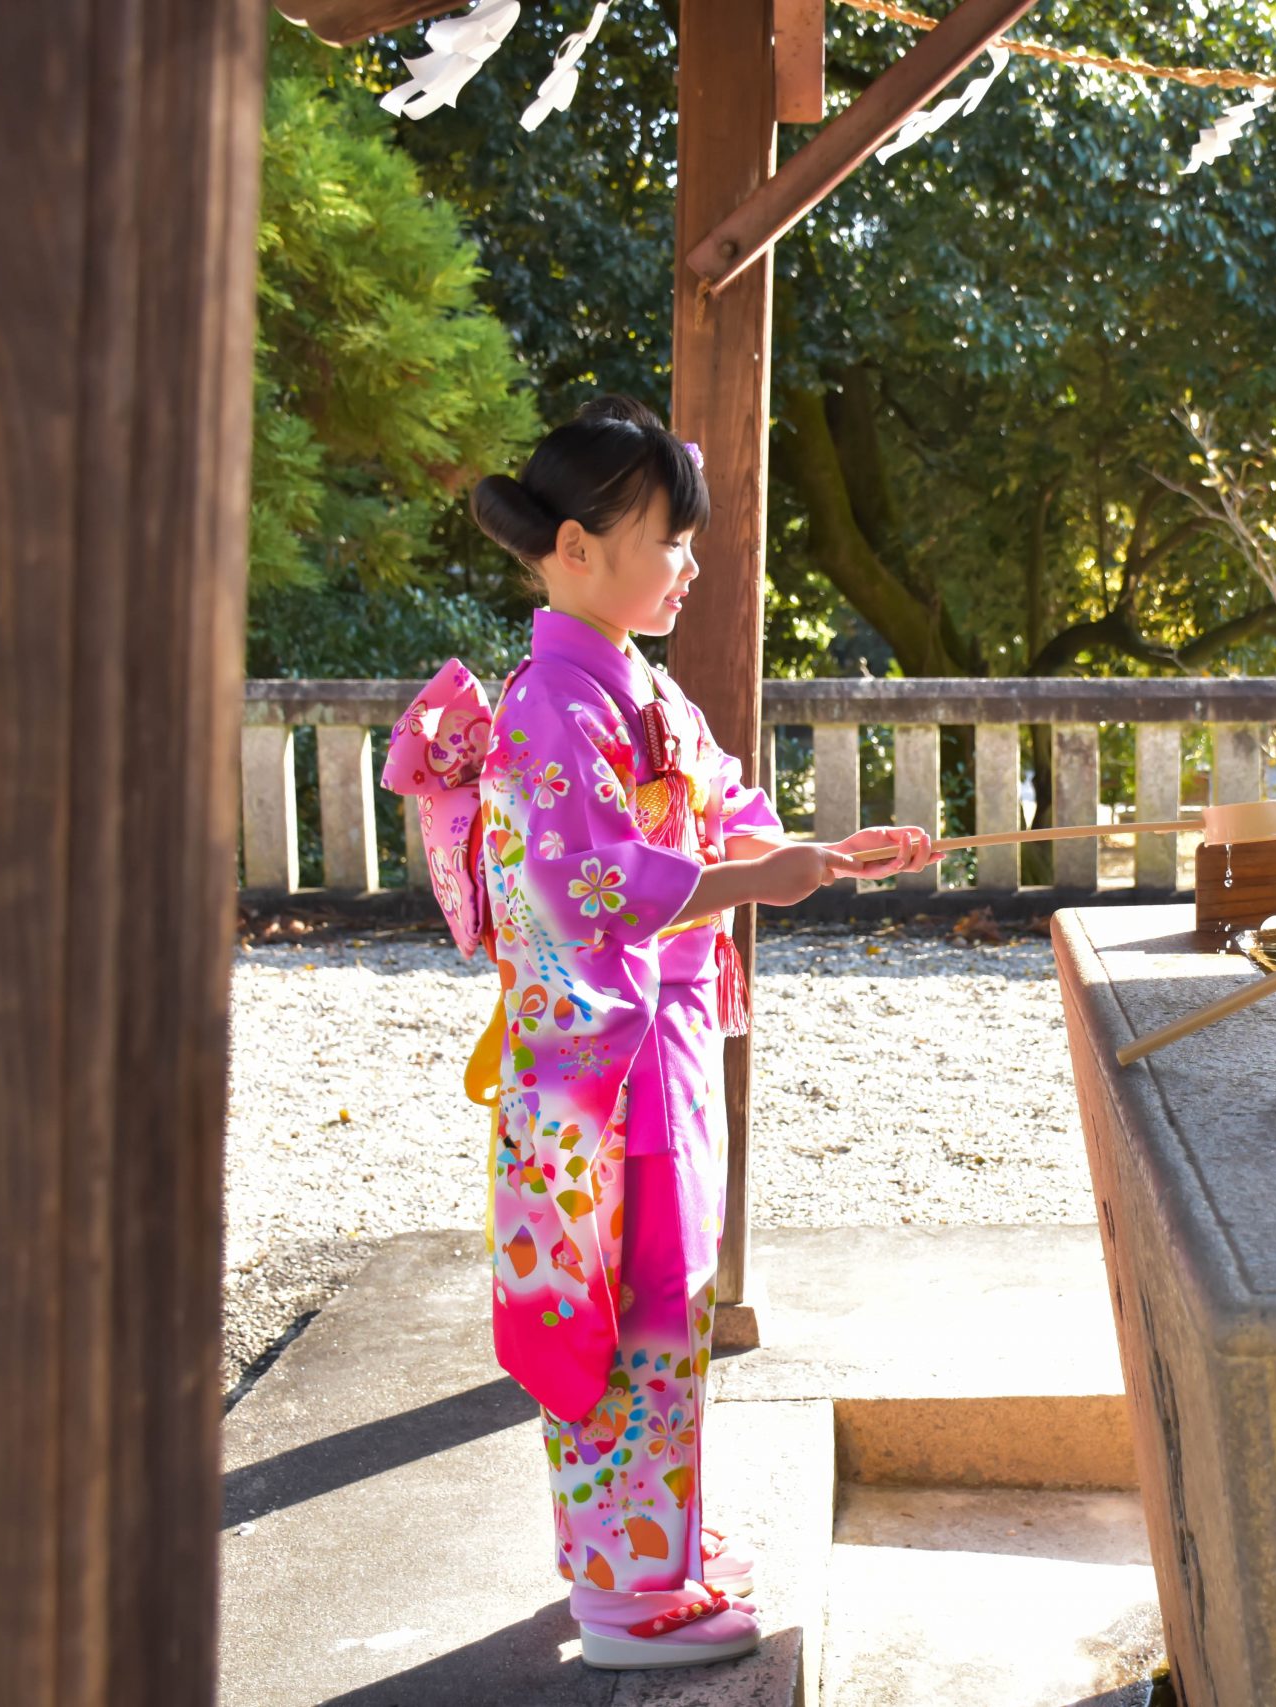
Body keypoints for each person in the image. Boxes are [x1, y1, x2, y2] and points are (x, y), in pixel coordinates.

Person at [385, 397, 934, 1668]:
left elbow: (721, 806)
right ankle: (625, 1595)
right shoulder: (548, 707)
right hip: (596, 1072)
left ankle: (652, 1545)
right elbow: (593, 883)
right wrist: (758, 880)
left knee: (666, 1303)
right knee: (623, 1310)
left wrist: (826, 855)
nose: (690, 564)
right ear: (577, 549)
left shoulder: (629, 682)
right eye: (666, 540)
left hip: (644, 1049)